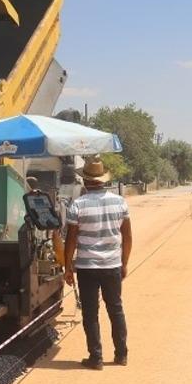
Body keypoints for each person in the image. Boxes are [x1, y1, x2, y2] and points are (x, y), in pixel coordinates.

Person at [63, 156, 132, 370]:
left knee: (90, 313)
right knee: (116, 309)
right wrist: (124, 263)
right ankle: (121, 355)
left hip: (87, 268)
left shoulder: (78, 205)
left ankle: (96, 357)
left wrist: (67, 267)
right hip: (112, 266)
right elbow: (128, 236)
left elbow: (71, 239)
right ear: (103, 180)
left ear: (85, 181)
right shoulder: (120, 202)